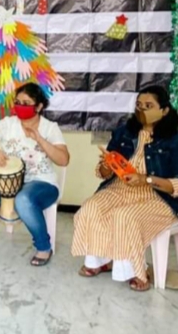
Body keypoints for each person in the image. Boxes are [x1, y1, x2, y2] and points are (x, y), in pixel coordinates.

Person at [72, 85, 178, 291]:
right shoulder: (124, 132)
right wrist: (106, 165)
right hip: (120, 188)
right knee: (90, 208)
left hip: (158, 195)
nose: (142, 110)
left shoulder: (174, 139)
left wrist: (146, 179)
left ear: (164, 110)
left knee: (125, 216)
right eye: (139, 105)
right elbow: (104, 173)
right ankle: (99, 261)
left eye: (149, 106)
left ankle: (135, 271)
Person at [0, 83, 70, 266]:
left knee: (23, 199)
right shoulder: (8, 124)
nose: (20, 106)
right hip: (9, 181)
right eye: (17, 102)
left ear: (39, 106)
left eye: (26, 103)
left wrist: (40, 139)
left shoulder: (50, 128)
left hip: (42, 182)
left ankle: (43, 247)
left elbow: (63, 160)